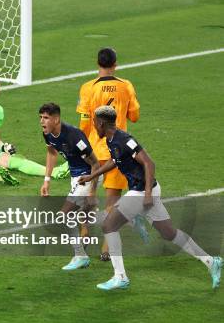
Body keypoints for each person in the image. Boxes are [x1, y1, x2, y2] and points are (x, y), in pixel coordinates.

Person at [78, 106, 222, 290]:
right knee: (169, 233)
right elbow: (115, 161)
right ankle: (211, 261)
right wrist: (92, 176)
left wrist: (146, 194)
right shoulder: (112, 140)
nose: (93, 127)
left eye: (94, 123)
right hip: (146, 191)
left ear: (101, 123)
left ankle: (120, 276)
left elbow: (149, 163)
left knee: (109, 225)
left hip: (142, 191)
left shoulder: (124, 140)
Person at [76, 47, 140, 261]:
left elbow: (84, 123)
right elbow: (135, 116)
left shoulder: (87, 88)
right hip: (117, 151)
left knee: (89, 194)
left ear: (97, 63)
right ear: (116, 63)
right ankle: (105, 248)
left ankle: (84, 232)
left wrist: (82, 147)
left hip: (94, 150)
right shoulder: (126, 86)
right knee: (112, 200)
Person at [38, 103, 100, 270]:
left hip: (88, 176)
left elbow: (95, 164)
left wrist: (92, 192)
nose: (42, 122)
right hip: (75, 177)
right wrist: (46, 180)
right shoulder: (48, 134)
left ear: (56, 119)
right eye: (41, 118)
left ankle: (80, 256)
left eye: (46, 118)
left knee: (64, 215)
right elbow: (52, 153)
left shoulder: (74, 137)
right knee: (87, 216)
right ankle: (125, 216)